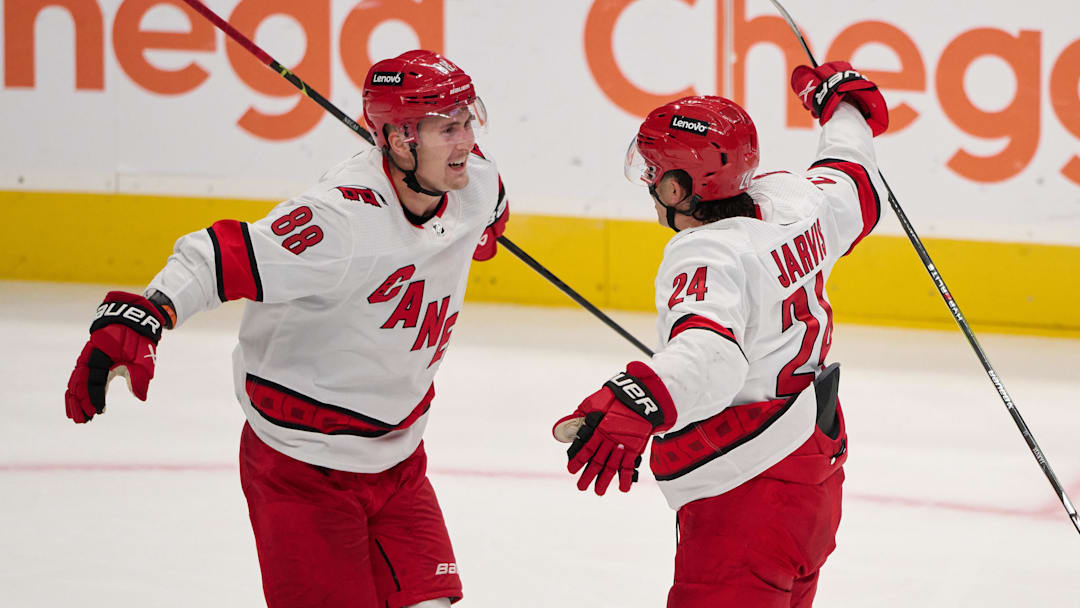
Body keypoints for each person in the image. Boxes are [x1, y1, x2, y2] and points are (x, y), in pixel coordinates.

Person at [64, 49, 508, 608]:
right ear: (399, 140)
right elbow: (214, 257)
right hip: (302, 467)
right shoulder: (342, 220)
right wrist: (143, 316)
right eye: (448, 127)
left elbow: (489, 217)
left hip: (398, 463)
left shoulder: (475, 182)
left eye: (469, 119)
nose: (467, 140)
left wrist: (480, 230)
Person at [553, 61, 889, 607]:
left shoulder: (706, 252)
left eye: (654, 170)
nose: (647, 181)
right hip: (813, 473)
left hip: (747, 494)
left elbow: (710, 356)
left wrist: (638, 400)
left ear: (681, 186)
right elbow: (851, 175)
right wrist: (842, 106)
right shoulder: (796, 202)